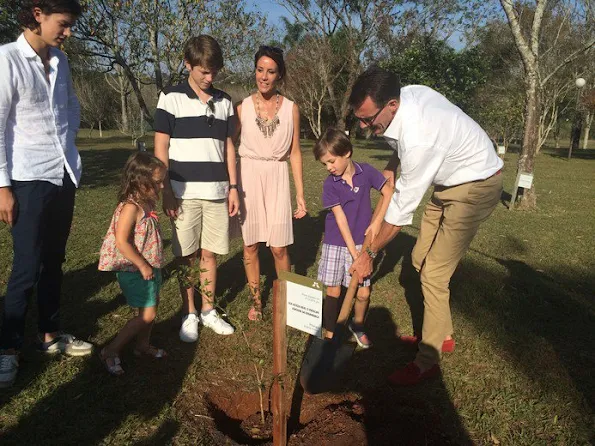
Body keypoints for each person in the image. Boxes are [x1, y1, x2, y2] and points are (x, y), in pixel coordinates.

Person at [349, 66, 503, 385]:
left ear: (391, 104)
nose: (364, 127)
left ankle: (427, 359)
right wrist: (392, 165)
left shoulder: (420, 139)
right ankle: (442, 334)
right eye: (360, 119)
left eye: (368, 119)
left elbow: (400, 212)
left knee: (434, 273)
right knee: (419, 259)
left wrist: (369, 254)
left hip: (477, 185)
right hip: (447, 181)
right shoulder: (411, 93)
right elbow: (403, 151)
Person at [0, 0, 92, 388]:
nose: (67, 32)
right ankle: (7, 348)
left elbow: (69, 106)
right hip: (27, 177)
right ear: (38, 13)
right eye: (63, 24)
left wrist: (69, 146)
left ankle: (50, 335)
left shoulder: (60, 61)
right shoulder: (7, 59)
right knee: (26, 266)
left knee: (54, 259)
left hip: (62, 173)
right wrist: (2, 185)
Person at [154, 35, 239, 341]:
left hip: (217, 192)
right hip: (182, 193)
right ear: (188, 65)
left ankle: (208, 310)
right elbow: (160, 148)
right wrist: (165, 189)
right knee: (185, 256)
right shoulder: (170, 97)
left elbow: (229, 148)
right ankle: (189, 312)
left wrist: (233, 187)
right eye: (203, 70)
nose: (209, 76)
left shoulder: (225, 101)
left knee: (210, 254)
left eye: (214, 70)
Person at [236, 46, 307, 321]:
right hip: (248, 176)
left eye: (270, 71)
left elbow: (296, 152)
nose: (263, 77)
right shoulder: (241, 108)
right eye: (259, 70)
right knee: (250, 244)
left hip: (277, 175)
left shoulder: (291, 109)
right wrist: (230, 186)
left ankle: (286, 301)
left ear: (279, 75)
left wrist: (300, 193)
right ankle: (256, 301)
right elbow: (229, 147)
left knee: (278, 247)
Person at [313, 128, 393, 347]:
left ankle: (357, 325)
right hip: (337, 241)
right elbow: (340, 220)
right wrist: (353, 251)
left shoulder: (366, 172)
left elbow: (388, 192)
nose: (329, 168)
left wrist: (377, 222)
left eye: (331, 161)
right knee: (334, 289)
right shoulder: (330, 184)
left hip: (362, 241)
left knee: (363, 292)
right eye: (325, 164)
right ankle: (330, 333)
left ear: (346, 152)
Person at [98, 152, 167, 375]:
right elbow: (121, 241)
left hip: (149, 267)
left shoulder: (145, 203)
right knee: (146, 315)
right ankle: (110, 350)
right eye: (157, 182)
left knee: (151, 309)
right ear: (140, 181)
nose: (162, 186)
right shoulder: (131, 208)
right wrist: (143, 265)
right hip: (135, 269)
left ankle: (142, 345)